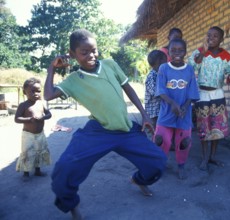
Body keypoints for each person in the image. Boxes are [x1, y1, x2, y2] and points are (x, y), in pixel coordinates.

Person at [44, 29, 167, 219]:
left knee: (157, 161)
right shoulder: (74, 80)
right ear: (72, 54)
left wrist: (144, 114)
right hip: (98, 131)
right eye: (84, 52)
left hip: (125, 130)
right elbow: (48, 95)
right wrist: (51, 69)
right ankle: (71, 204)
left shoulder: (110, 64)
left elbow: (128, 88)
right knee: (65, 168)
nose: (91, 56)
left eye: (93, 50)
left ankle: (138, 180)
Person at [188, 26, 230, 171]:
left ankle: (212, 156)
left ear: (221, 39)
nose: (211, 38)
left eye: (215, 36)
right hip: (202, 94)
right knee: (204, 127)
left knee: (216, 127)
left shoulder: (226, 56)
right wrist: (202, 54)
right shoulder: (200, 51)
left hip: (218, 94)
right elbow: (191, 67)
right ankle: (204, 158)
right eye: (209, 35)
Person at [154, 38, 199, 179]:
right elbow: (161, 91)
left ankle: (181, 165)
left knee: (184, 141)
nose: (177, 53)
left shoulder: (189, 70)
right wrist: (172, 103)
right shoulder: (163, 68)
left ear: (185, 52)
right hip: (166, 113)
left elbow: (192, 93)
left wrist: (185, 107)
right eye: (173, 50)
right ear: (169, 52)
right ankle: (159, 164)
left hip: (183, 114)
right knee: (161, 139)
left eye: (181, 50)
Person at [15, 77, 52, 182]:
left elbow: (49, 114)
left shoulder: (41, 103)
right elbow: (17, 119)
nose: (36, 93)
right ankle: (26, 173)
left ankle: (37, 170)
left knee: (39, 152)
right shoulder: (23, 105)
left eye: (38, 91)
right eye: (32, 91)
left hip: (40, 134)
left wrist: (43, 117)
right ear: (24, 92)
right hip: (28, 135)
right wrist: (29, 119)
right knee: (27, 153)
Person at [144, 50, 167, 128]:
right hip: (154, 112)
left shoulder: (160, 74)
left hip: (160, 110)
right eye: (165, 61)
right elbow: (154, 92)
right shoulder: (152, 76)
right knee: (156, 131)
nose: (167, 63)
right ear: (159, 61)